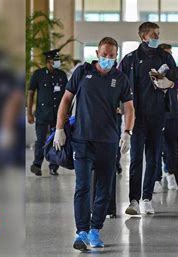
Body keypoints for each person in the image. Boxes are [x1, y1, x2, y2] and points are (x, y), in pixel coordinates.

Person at [54, 37, 135, 250]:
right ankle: (81, 232)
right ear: (97, 53)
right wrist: (59, 129)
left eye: (111, 55)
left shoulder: (121, 78)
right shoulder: (82, 73)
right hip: (82, 140)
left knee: (104, 188)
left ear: (116, 56)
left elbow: (129, 108)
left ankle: (94, 230)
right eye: (104, 54)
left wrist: (127, 132)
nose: (107, 58)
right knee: (82, 186)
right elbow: (66, 100)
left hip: (108, 142)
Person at [119, 22, 178, 215]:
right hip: (137, 117)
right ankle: (134, 200)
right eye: (153, 34)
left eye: (158, 34)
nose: (157, 37)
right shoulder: (130, 59)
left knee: (154, 157)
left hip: (158, 115)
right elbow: (120, 86)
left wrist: (168, 82)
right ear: (143, 37)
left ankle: (147, 197)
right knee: (136, 158)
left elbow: (177, 82)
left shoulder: (165, 57)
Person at [154, 43, 178, 192]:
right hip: (155, 116)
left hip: (173, 116)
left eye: (171, 53)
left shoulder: (175, 74)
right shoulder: (152, 73)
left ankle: (170, 173)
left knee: (171, 148)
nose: (169, 56)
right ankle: (156, 178)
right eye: (166, 53)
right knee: (155, 148)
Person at [27, 49, 68, 176]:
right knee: (41, 140)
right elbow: (31, 93)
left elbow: (68, 96)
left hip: (58, 115)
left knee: (57, 140)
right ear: (48, 62)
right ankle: (37, 164)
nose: (57, 63)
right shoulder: (38, 74)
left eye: (58, 60)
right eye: (55, 61)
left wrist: (67, 113)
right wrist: (29, 112)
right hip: (42, 114)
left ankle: (53, 166)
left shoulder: (62, 75)